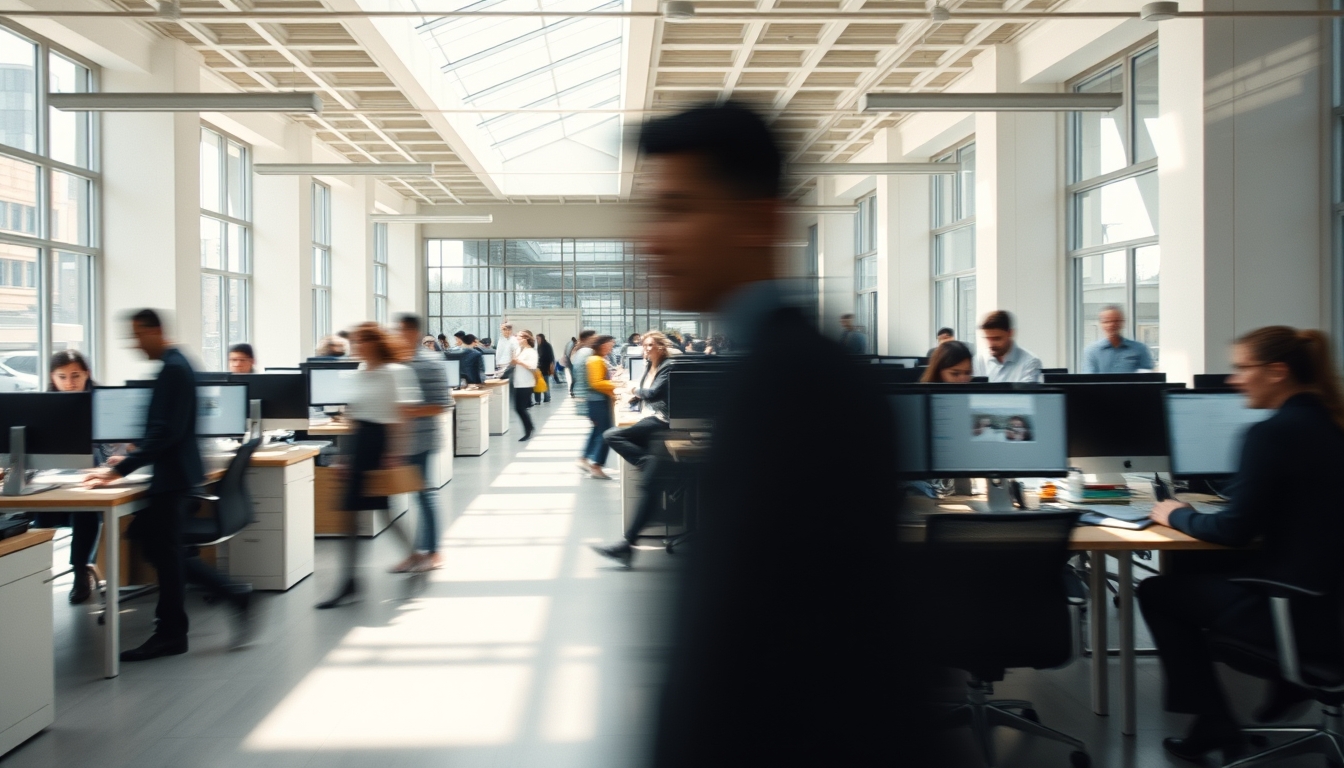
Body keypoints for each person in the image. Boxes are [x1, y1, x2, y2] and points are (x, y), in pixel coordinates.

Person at [636, 102, 930, 767]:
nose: (649, 240)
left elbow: (777, 651)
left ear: (757, 221)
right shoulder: (785, 369)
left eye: (677, 209)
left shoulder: (798, 386)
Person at [1138, 326, 1344, 763]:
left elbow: (1233, 531)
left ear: (1277, 372)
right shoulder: (1332, 422)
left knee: (1157, 592)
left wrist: (1173, 513)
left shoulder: (1272, 434)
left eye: (1242, 368)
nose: (1234, 380)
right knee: (1200, 579)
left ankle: (1214, 720)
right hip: (1330, 604)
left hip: (1298, 613)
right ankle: (1273, 691)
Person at [84, 310, 253, 660]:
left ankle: (175, 631)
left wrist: (120, 470)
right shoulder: (177, 363)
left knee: (163, 548)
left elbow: (166, 431)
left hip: (174, 477)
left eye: (138, 335)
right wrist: (131, 457)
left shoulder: (174, 369)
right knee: (156, 544)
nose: (135, 344)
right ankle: (222, 600)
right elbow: (167, 430)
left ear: (155, 331)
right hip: (176, 473)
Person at [316, 323, 421, 609]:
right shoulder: (360, 370)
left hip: (380, 445)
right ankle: (349, 582)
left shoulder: (395, 372)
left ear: (376, 342)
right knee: (349, 514)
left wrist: (396, 452)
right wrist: (342, 455)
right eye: (355, 341)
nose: (357, 346)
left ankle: (412, 555)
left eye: (362, 340)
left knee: (383, 512)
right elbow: (353, 415)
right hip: (359, 442)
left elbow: (404, 415)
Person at [33, 350, 126, 603]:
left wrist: (111, 462)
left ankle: (80, 572)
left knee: (84, 511)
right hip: (54, 480)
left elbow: (118, 446)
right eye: (62, 377)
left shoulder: (105, 403)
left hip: (92, 479)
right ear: (53, 378)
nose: (70, 382)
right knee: (36, 512)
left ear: (87, 374)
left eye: (76, 375)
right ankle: (32, 576)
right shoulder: (43, 407)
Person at [591, 331, 676, 567]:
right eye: (644, 346)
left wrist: (633, 391)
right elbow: (646, 393)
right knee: (613, 437)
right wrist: (633, 398)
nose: (646, 349)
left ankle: (627, 544)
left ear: (661, 347)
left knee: (648, 483)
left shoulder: (668, 367)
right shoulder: (650, 366)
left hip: (663, 423)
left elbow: (653, 393)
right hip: (654, 419)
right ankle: (627, 545)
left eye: (650, 345)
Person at [390, 314, 452, 574]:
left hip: (420, 439)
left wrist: (409, 411)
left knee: (424, 495)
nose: (397, 334)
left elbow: (443, 404)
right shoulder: (394, 361)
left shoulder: (430, 361)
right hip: (398, 440)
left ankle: (433, 551)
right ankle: (416, 553)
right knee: (410, 497)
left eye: (402, 330)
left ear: (414, 332)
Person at [580, 335, 617, 479]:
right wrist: (617, 384)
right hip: (598, 402)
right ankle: (596, 465)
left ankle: (588, 460)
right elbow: (596, 383)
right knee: (605, 434)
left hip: (598, 401)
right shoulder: (595, 360)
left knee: (600, 431)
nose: (611, 347)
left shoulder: (599, 359)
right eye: (609, 344)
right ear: (602, 345)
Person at [972, 310, 1042, 383]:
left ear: (1010, 333)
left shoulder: (1030, 362)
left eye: (996, 338)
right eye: (987, 338)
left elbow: (1027, 394)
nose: (991, 344)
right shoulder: (979, 360)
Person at [1082, 305, 1155, 374]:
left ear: (1122, 323)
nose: (1112, 324)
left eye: (1116, 321)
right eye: (1107, 321)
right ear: (1101, 324)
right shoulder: (1092, 351)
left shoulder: (1140, 349)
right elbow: (1089, 381)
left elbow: (1148, 379)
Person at [510, 331, 540, 440]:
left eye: (518, 337)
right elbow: (515, 363)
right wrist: (514, 361)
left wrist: (518, 362)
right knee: (519, 408)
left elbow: (532, 366)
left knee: (521, 408)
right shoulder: (518, 350)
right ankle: (530, 427)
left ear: (525, 339)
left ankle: (529, 429)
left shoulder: (531, 352)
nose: (517, 339)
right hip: (518, 382)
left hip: (526, 383)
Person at [568, 329, 597, 397]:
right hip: (586, 393)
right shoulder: (587, 351)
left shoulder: (580, 350)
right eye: (593, 338)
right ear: (586, 339)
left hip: (581, 391)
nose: (595, 341)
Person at [534, 333, 556, 405]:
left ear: (542, 338)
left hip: (545, 368)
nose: (537, 340)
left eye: (538, 338)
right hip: (540, 368)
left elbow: (550, 357)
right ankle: (542, 399)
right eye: (536, 338)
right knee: (540, 383)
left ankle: (547, 397)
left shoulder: (546, 346)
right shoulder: (539, 346)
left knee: (545, 383)